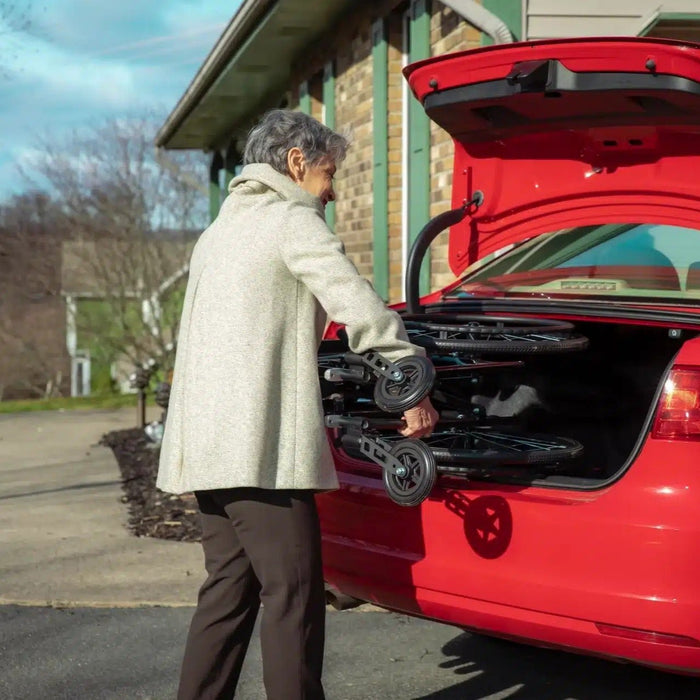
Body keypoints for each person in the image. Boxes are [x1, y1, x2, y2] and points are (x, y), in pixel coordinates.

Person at [156, 109, 439, 700]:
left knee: (228, 593)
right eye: (329, 174)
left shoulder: (217, 233)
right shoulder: (290, 222)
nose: (333, 191)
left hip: (206, 448)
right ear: (295, 163)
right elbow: (356, 303)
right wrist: (409, 374)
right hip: (259, 449)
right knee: (295, 597)